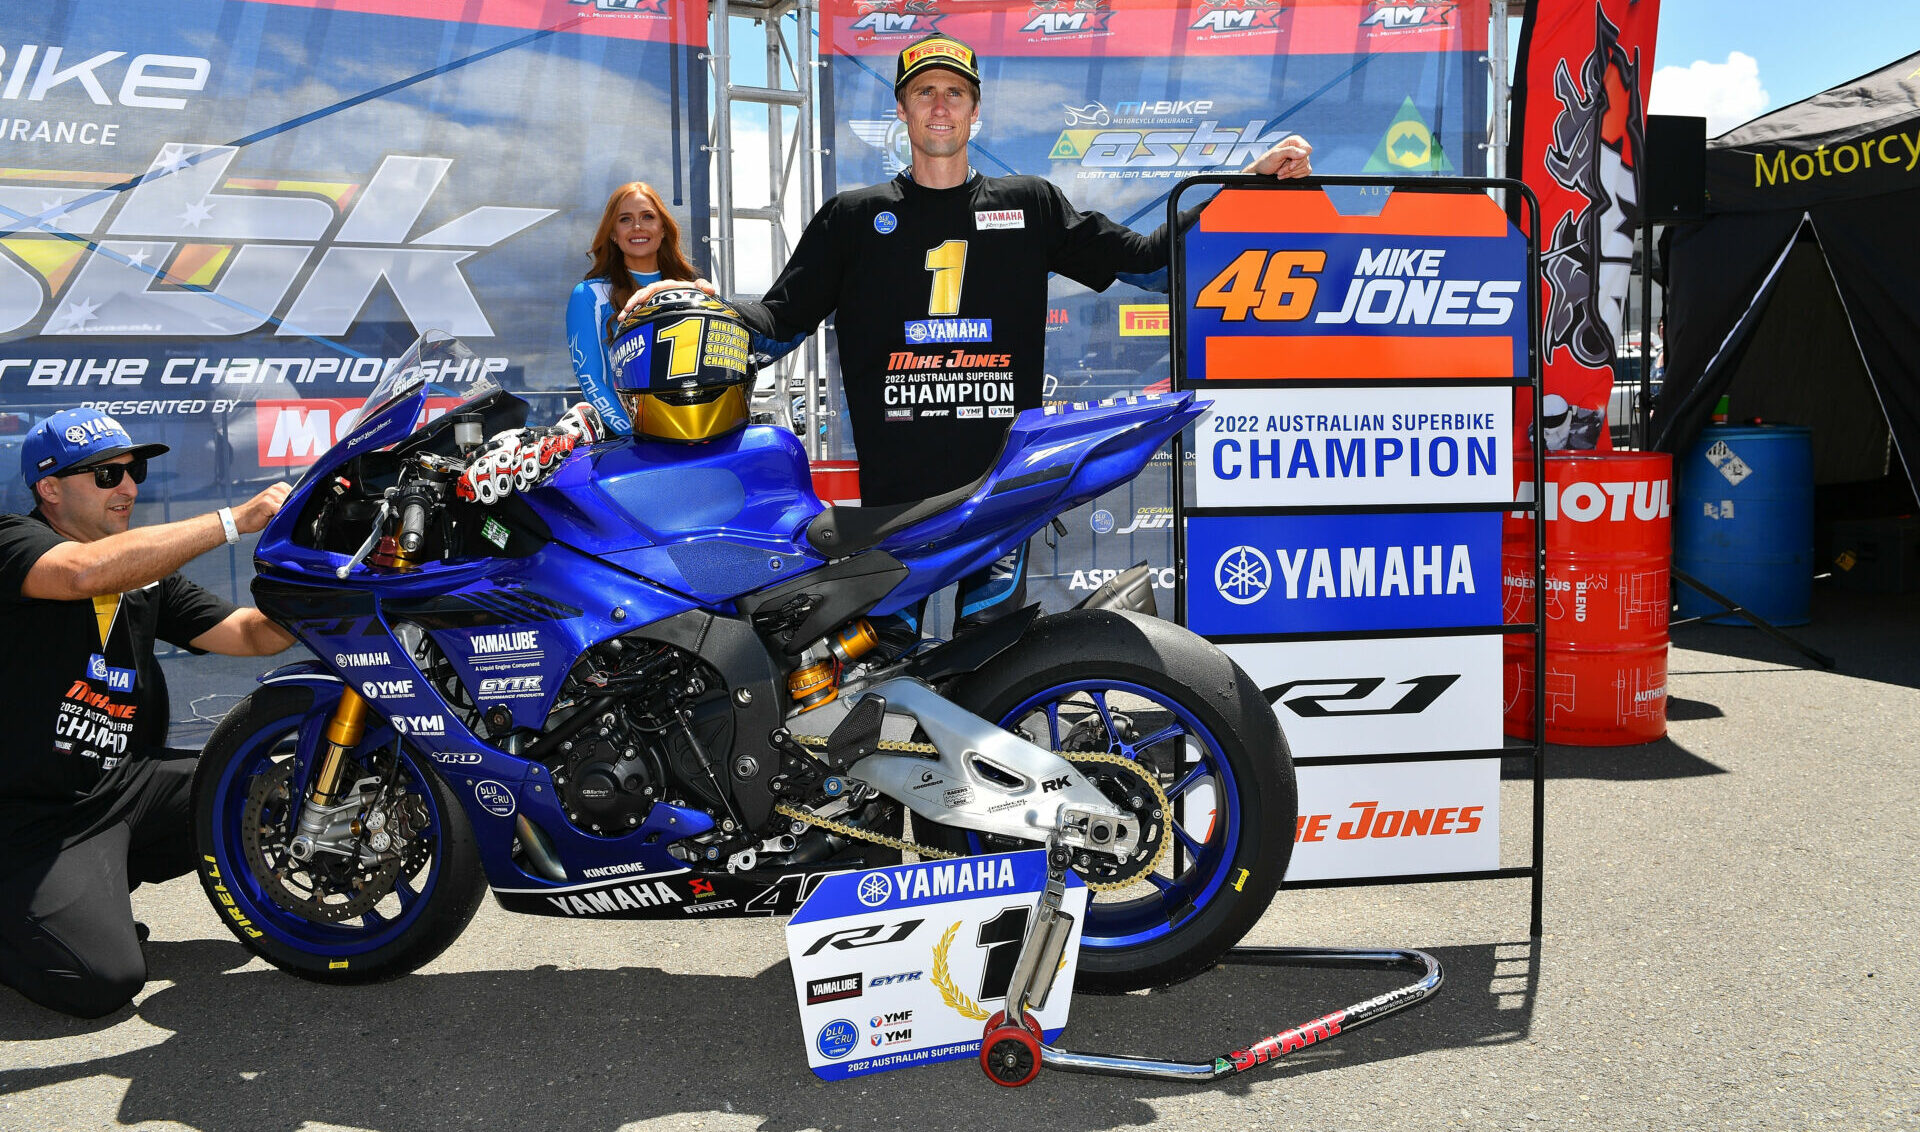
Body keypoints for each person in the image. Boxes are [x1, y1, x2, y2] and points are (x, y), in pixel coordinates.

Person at [622, 33, 1312, 648]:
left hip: (997, 499)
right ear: (903, 109)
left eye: (956, 92)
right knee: (885, 690)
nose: (941, 106)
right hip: (894, 507)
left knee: (992, 675)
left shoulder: (1030, 202)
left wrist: (1243, 188)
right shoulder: (854, 218)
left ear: (976, 110)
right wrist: (702, 309)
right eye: (925, 92)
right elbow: (779, 321)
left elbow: (1150, 263)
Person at [0, 408, 296, 1018]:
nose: (129, 487)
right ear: (49, 489)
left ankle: (92, 889)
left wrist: (337, 573)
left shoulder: (142, 573)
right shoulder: (12, 542)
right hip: (29, 818)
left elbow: (253, 635)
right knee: (101, 981)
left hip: (123, 787)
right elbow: (80, 573)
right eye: (107, 474)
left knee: (267, 793)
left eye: (133, 470)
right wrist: (233, 520)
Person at [568, 181, 706, 434]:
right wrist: (635, 435)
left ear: (663, 228)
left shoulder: (692, 292)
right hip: (627, 445)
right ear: (612, 234)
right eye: (625, 219)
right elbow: (592, 381)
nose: (637, 227)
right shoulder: (590, 294)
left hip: (693, 436)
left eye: (647, 217)